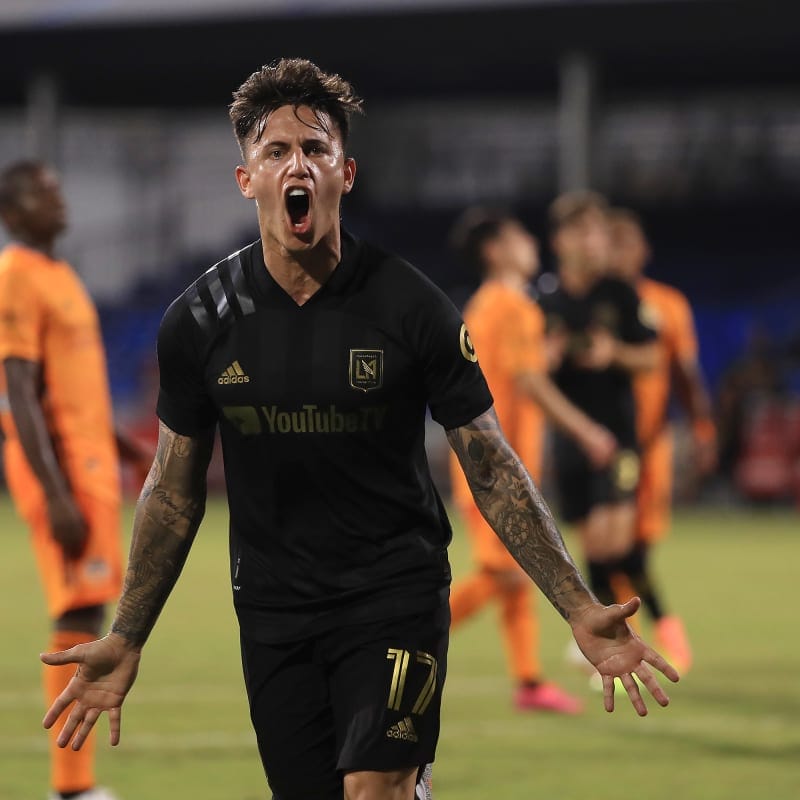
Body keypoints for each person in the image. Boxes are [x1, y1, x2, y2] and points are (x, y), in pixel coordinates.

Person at [40, 59, 678, 800]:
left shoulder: (415, 309)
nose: (296, 164)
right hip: (273, 608)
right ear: (247, 180)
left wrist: (578, 605)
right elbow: (174, 491)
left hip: (394, 593)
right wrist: (128, 633)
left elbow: (492, 466)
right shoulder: (199, 322)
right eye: (275, 151)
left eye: (314, 149)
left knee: (373, 789)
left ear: (345, 172)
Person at [0, 160, 150, 800]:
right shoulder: (14, 276)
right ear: (13, 211)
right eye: (45, 194)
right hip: (62, 472)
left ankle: (76, 786)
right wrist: (55, 493)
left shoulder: (60, 276)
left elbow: (74, 389)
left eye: (62, 190)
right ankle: (71, 788)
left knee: (91, 613)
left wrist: (123, 445)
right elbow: (20, 392)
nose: (60, 203)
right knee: (80, 610)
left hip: (90, 465)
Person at [447, 209, 617, 714]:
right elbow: (526, 381)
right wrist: (586, 430)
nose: (530, 243)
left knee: (520, 570)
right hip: (493, 467)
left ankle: (529, 682)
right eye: (519, 236)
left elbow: (509, 371)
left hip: (485, 459)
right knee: (505, 574)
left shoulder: (487, 305)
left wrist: (548, 354)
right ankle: (399, 633)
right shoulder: (513, 306)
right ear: (495, 250)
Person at [538, 191, 660, 617]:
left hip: (619, 433)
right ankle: (607, 629)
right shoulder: (544, 301)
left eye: (597, 232)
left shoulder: (621, 294)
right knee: (592, 541)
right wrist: (546, 358)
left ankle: (615, 623)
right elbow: (528, 375)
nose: (593, 241)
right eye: (583, 231)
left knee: (616, 537)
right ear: (560, 240)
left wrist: (615, 353)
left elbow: (652, 357)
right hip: (570, 440)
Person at [607, 207, 717, 672]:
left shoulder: (667, 305)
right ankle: (645, 637)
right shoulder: (597, 306)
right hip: (608, 445)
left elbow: (686, 374)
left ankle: (646, 636)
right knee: (614, 547)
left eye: (624, 244)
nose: (617, 255)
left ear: (642, 250)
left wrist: (703, 428)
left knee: (636, 548)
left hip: (651, 444)